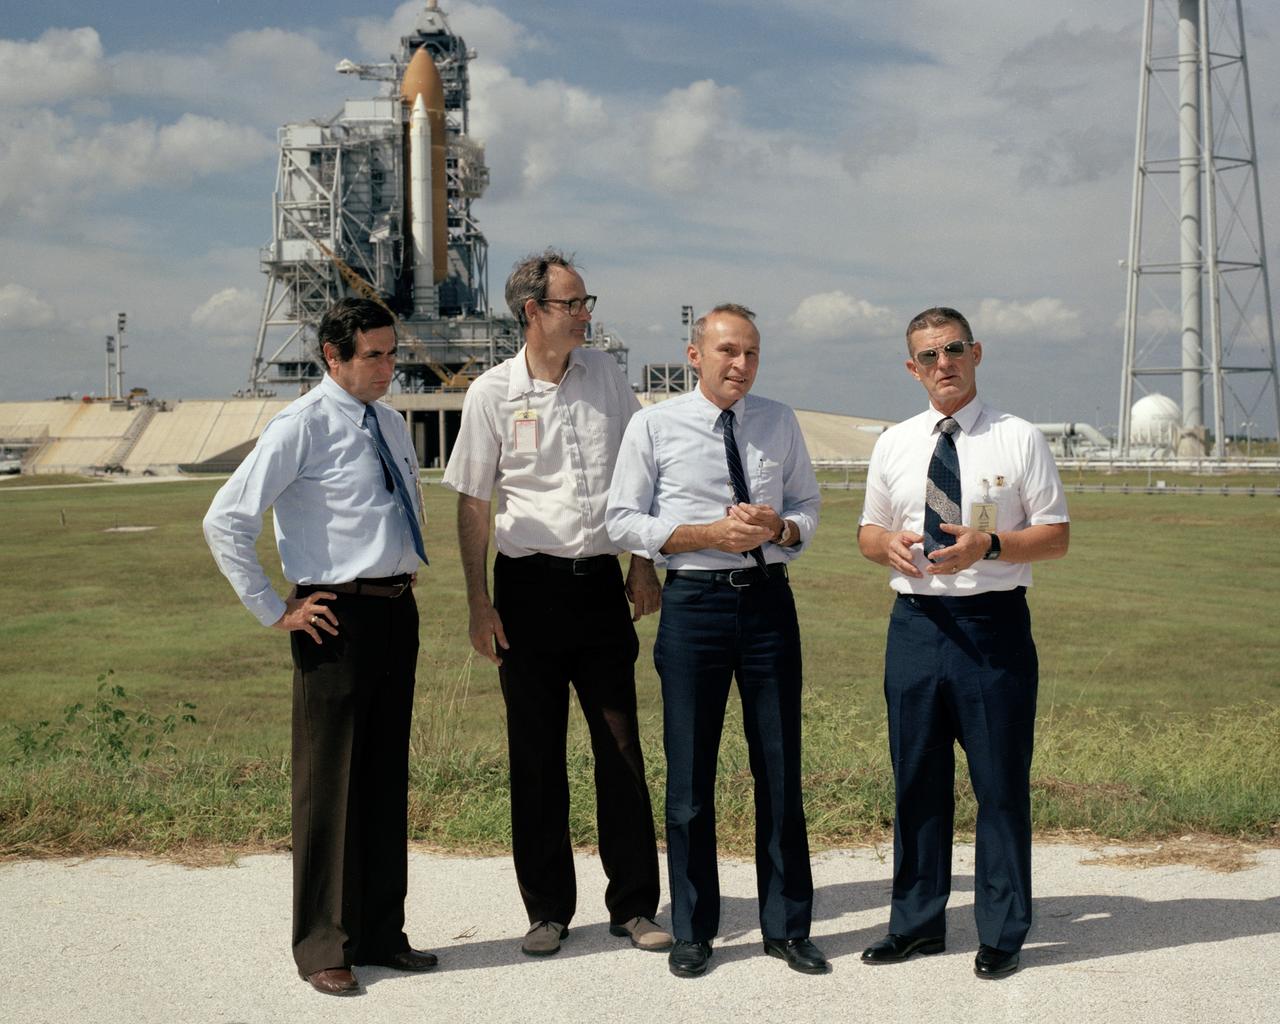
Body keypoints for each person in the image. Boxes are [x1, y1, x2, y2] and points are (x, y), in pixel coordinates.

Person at [441, 249, 671, 958]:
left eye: (585, 302)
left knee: (620, 748)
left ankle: (635, 906)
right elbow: (474, 503)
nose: (585, 315)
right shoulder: (491, 394)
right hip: (527, 592)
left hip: (600, 586)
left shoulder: (605, 377)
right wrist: (479, 604)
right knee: (536, 756)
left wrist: (642, 563)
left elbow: (640, 474)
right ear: (532, 312)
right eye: (572, 304)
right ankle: (547, 910)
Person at [203, 298, 435, 997]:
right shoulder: (300, 426)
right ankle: (322, 945)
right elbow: (226, 520)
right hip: (334, 617)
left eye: (393, 353)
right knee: (330, 784)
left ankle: (380, 932)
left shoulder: (388, 422)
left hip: (395, 609)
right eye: (374, 355)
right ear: (333, 357)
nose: (389, 367)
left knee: (383, 777)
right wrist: (274, 609)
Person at [606, 303, 826, 979]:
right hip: (695, 605)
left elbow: (808, 507)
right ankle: (694, 930)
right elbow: (622, 518)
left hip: (767, 604)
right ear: (695, 354)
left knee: (779, 771)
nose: (741, 364)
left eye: (752, 353)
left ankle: (786, 928)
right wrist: (706, 535)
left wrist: (780, 528)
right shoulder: (654, 424)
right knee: (690, 777)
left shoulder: (778, 421)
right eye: (729, 351)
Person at [856, 306, 1070, 979]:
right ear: (911, 367)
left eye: (953, 350)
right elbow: (868, 532)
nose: (942, 364)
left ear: (976, 353)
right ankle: (917, 925)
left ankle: (1002, 931)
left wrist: (991, 545)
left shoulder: (1018, 438)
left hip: (991, 629)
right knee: (916, 781)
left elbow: (1056, 535)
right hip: (915, 627)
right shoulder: (895, 442)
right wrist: (886, 546)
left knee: (999, 784)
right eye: (928, 355)